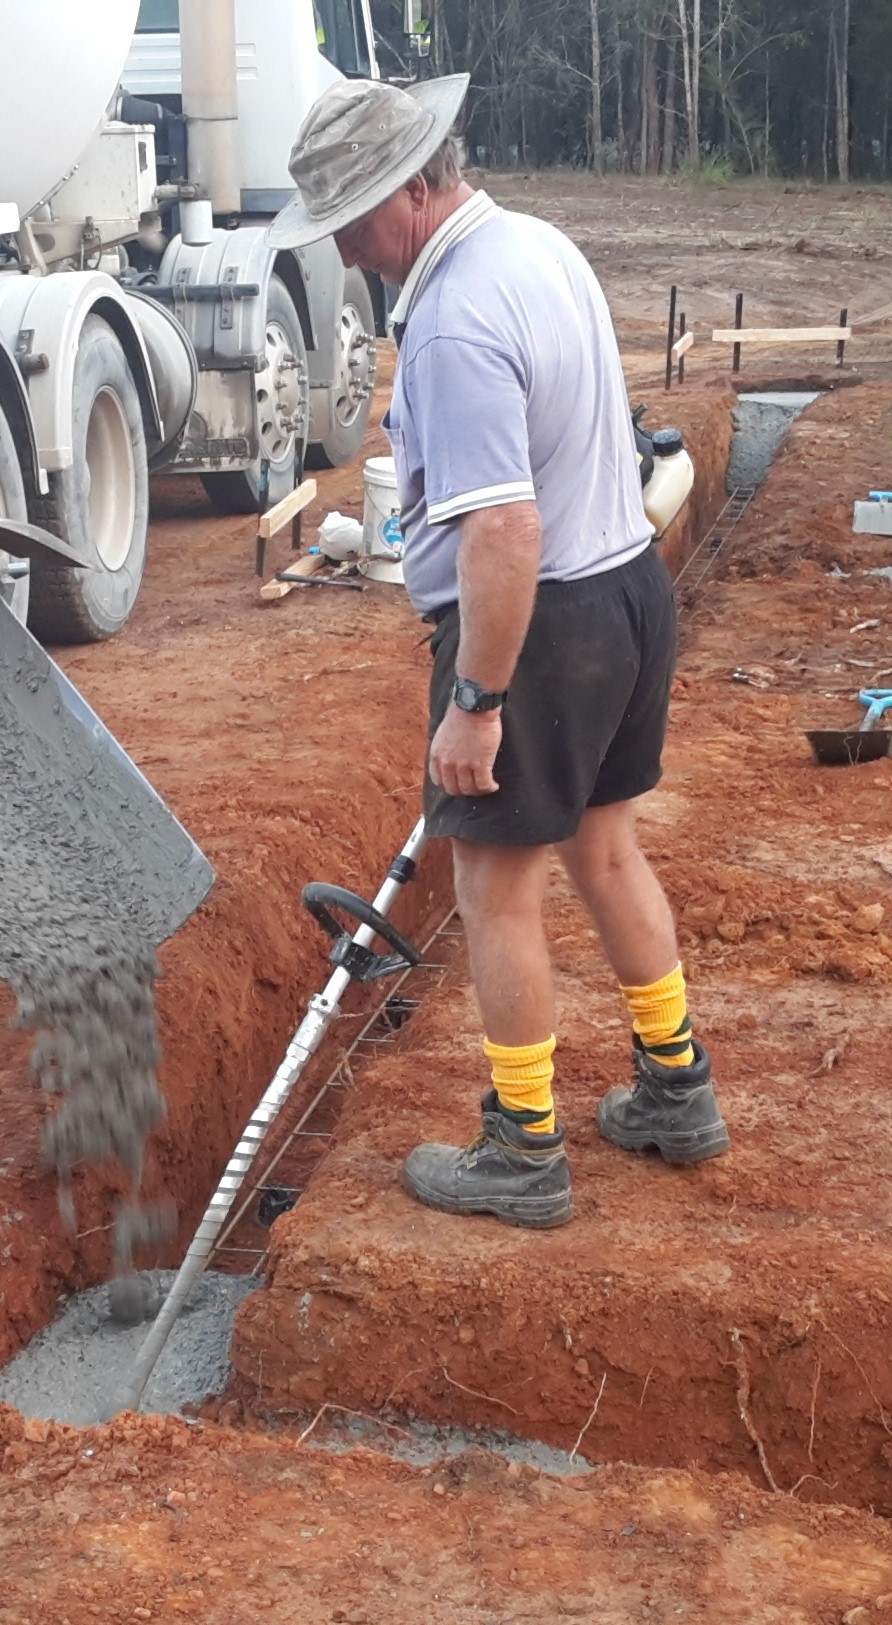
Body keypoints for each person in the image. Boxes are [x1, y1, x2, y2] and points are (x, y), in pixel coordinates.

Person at [266, 75, 729, 1228]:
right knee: (606, 849)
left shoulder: (457, 318)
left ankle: (524, 1148)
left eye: (351, 216)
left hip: (545, 622)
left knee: (491, 887)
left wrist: (476, 697)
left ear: (413, 189)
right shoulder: (534, 243)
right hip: (624, 589)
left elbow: (502, 525)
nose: (342, 243)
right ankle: (677, 1087)